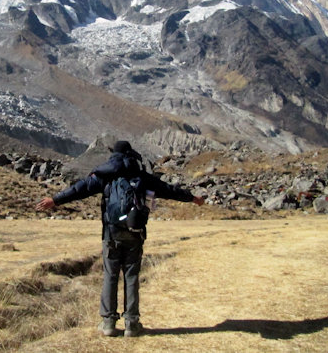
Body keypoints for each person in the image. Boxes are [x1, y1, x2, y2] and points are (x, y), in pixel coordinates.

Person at [36, 140, 204, 337]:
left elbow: (79, 190)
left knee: (110, 275)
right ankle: (132, 324)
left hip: (111, 233)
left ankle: (108, 323)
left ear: (113, 155)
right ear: (130, 153)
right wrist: (193, 198)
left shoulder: (104, 175)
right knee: (131, 277)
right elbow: (168, 190)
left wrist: (55, 200)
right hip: (135, 233)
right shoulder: (141, 175)